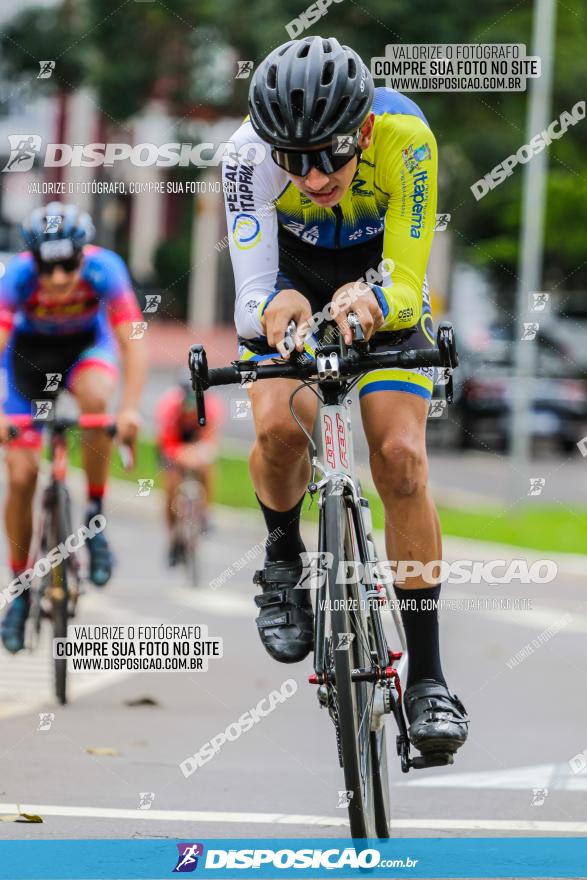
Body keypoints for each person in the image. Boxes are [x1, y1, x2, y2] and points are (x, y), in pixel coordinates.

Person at [221, 36, 468, 758]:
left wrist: (372, 298)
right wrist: (276, 305)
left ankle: (426, 677)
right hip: (286, 282)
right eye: (293, 160)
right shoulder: (243, 155)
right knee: (277, 433)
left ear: (360, 129)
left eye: (330, 153)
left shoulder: (404, 137)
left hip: (379, 282)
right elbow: (250, 296)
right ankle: (280, 560)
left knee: (399, 457)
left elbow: (408, 277)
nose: (315, 174)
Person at [0, 202, 147, 652]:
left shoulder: (106, 269)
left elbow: (132, 340)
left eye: (69, 265)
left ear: (84, 255)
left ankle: (94, 518)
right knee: (22, 475)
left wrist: (131, 409)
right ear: (33, 260)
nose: (60, 278)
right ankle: (21, 587)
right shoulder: (16, 278)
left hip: (86, 351)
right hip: (28, 361)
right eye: (49, 266)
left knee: (98, 400)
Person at [155, 374, 223, 566]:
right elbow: (167, 443)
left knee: (207, 468)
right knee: (171, 484)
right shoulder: (168, 407)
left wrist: (198, 454)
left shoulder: (211, 406)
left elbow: (211, 440)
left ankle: (206, 513)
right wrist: (183, 455)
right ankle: (172, 537)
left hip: (196, 442)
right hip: (174, 444)